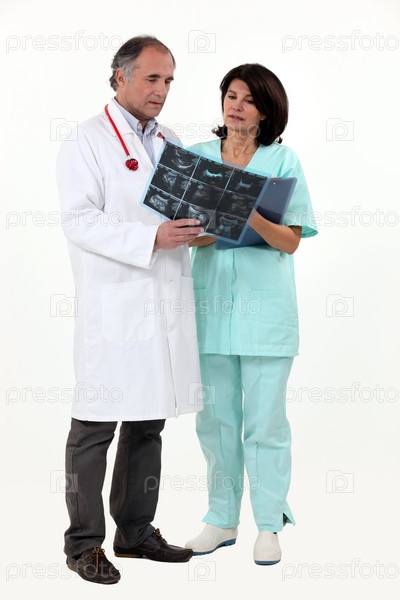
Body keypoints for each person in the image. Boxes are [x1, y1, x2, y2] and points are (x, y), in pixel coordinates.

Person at [56, 35, 204, 585]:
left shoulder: (170, 140)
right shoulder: (87, 139)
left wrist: (203, 224)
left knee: (148, 424)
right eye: (152, 78)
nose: (161, 90)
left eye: (169, 81)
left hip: (163, 303)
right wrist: (150, 239)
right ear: (120, 76)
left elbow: (182, 212)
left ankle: (135, 532)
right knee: (95, 427)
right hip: (115, 305)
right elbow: (78, 220)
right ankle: (83, 544)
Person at [185, 63, 318, 565]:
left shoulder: (283, 161)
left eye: (248, 99)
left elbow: (291, 240)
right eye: (230, 96)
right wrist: (214, 225)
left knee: (265, 423)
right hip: (210, 307)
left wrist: (250, 214)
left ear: (266, 110)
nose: (236, 106)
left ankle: (268, 524)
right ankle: (221, 519)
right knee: (215, 422)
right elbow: (188, 235)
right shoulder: (199, 157)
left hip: (267, 314)